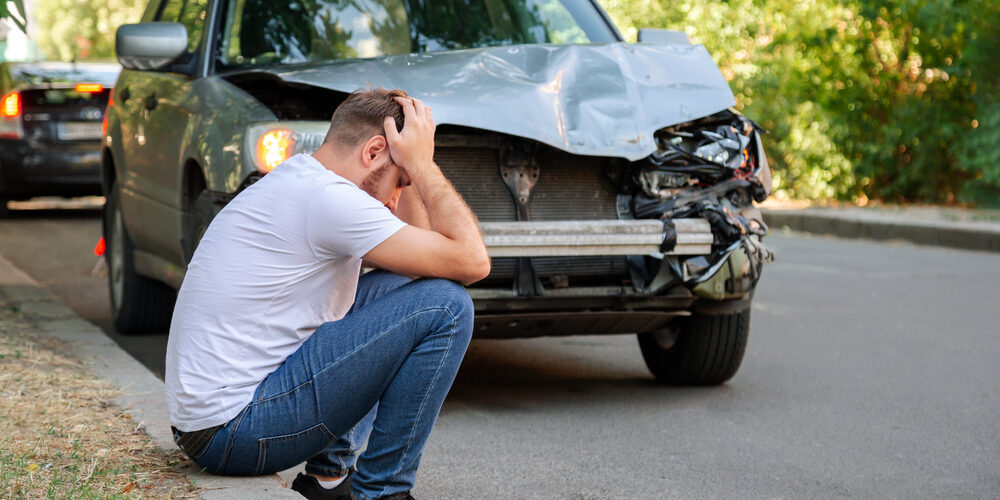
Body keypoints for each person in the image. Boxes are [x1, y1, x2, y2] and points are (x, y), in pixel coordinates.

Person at [164, 89, 491, 500]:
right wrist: (422, 166)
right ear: (374, 151)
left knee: (411, 288)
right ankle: (383, 492)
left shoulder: (305, 181)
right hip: (231, 431)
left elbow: (430, 256)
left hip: (212, 424)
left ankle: (327, 480)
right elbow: (472, 261)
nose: (395, 201)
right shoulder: (330, 201)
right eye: (399, 182)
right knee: (448, 307)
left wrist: (409, 167)